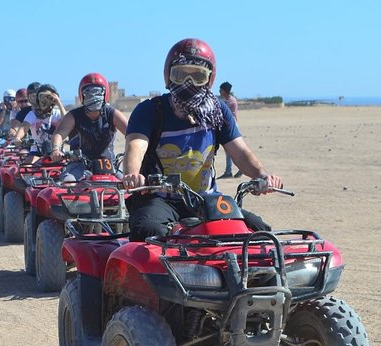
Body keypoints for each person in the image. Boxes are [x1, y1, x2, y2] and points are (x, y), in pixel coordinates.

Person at [121, 38, 283, 242]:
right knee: (149, 231)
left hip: (205, 199)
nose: (188, 83)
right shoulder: (150, 110)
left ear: (209, 79)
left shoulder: (218, 111)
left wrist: (262, 176)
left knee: (258, 232)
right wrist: (132, 175)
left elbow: (240, 152)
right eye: (180, 74)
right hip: (160, 198)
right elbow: (136, 146)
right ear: (169, 76)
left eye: (197, 75)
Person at [51, 72, 128, 181]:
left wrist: (136, 149)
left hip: (109, 165)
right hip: (79, 164)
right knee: (68, 183)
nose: (93, 96)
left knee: (128, 187)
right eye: (88, 93)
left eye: (97, 92)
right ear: (81, 94)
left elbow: (131, 134)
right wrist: (56, 149)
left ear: (105, 94)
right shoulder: (73, 116)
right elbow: (59, 134)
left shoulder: (112, 114)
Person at [13, 83, 66, 163]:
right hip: (37, 151)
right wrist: (18, 138)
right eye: (41, 97)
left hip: (57, 151)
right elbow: (24, 128)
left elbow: (66, 121)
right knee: (27, 165)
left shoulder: (57, 113)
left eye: (49, 97)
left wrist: (58, 103)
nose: (45, 101)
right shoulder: (31, 114)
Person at [217, 81, 241, 178]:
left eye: (221, 90)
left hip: (231, 127)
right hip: (227, 126)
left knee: (232, 150)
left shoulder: (230, 101)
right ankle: (229, 171)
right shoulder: (224, 100)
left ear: (224, 91)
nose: (219, 91)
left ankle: (233, 170)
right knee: (229, 151)